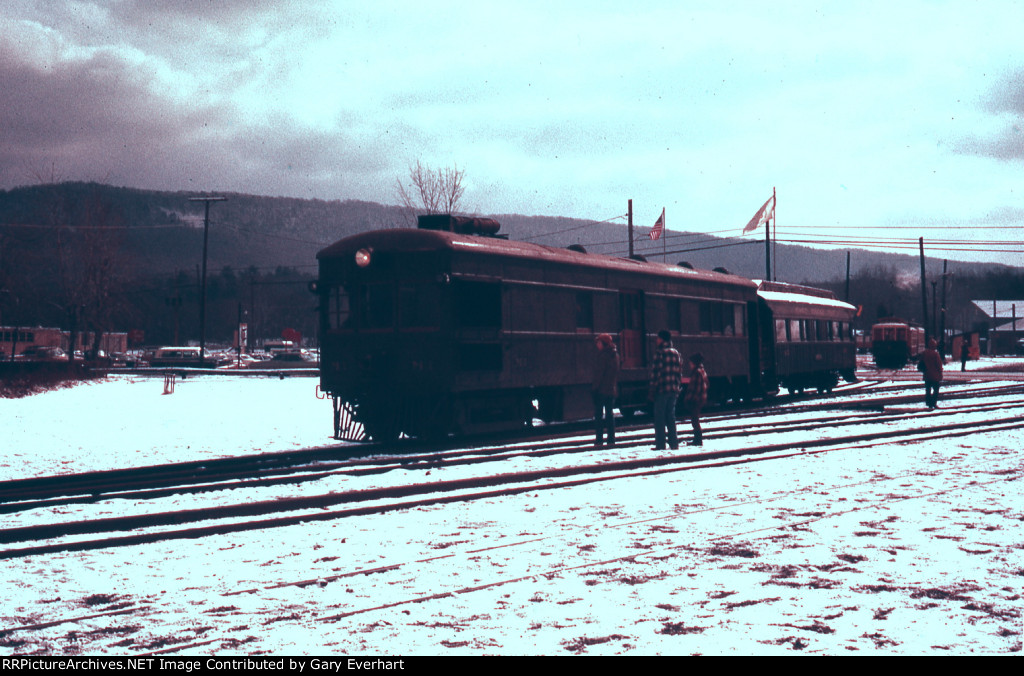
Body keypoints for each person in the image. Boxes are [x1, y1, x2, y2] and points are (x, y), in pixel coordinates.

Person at [649, 329, 683, 450]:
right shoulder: (676, 353)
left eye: (658, 338)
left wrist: (652, 388)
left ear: (662, 339)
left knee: (659, 418)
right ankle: (674, 443)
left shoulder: (660, 353)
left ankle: (660, 444)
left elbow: (656, 373)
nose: (656, 340)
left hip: (662, 389)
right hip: (673, 389)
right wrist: (677, 387)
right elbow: (679, 373)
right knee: (670, 416)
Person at [592, 333, 619, 447]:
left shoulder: (603, 355)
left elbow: (599, 374)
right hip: (611, 389)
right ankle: (611, 439)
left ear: (604, 343)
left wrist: (594, 388)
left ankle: (599, 439)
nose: (597, 345)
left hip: (601, 390)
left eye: (598, 342)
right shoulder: (615, 355)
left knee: (598, 416)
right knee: (609, 415)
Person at [683, 353, 709, 446]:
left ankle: (698, 440)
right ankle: (697, 439)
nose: (690, 365)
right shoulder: (702, 371)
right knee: (695, 420)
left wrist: (688, 399)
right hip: (700, 398)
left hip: (696, 399)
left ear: (694, 363)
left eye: (690, 363)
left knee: (695, 420)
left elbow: (693, 388)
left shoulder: (696, 372)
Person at [920, 338, 944, 409]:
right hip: (935, 376)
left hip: (927, 375)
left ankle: (929, 403)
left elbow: (921, 363)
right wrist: (940, 372)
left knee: (928, 390)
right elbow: (939, 364)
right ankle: (933, 403)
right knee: (936, 390)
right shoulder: (935, 354)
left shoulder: (924, 353)